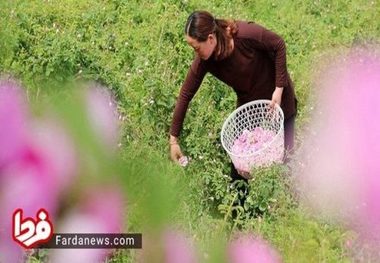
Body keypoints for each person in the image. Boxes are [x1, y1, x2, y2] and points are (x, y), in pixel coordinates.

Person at [169, 10, 297, 182]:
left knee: (285, 155)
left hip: (278, 96)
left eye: (196, 47)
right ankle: (238, 206)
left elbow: (279, 44)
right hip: (249, 105)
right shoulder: (205, 60)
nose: (196, 53)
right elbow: (186, 94)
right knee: (240, 164)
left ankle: (284, 201)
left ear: (210, 38)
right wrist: (173, 140)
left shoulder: (245, 35)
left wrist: (279, 88)